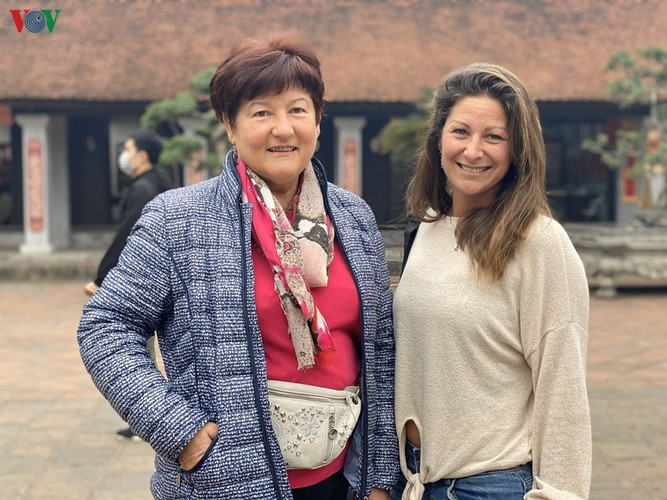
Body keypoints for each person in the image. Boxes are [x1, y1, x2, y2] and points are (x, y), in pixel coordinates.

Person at [78, 35, 399, 499]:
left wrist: (379, 477)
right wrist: (178, 432)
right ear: (230, 125)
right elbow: (106, 325)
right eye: (261, 112)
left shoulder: (353, 218)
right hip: (224, 481)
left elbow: (381, 350)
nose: (283, 128)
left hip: (341, 479)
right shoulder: (179, 218)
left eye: (297, 109)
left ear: (318, 121)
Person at [392, 63, 591, 499]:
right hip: (416, 482)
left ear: (518, 150)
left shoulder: (538, 242)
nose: (474, 150)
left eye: (494, 137)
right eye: (460, 131)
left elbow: (563, 385)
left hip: (492, 485)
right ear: (438, 139)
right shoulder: (425, 229)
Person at [83, 129, 172, 441]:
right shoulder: (159, 183)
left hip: (140, 281)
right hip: (159, 278)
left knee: (136, 351)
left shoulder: (144, 188)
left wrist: (100, 278)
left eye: (129, 149)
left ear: (142, 155)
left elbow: (127, 237)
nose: (125, 154)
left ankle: (151, 418)